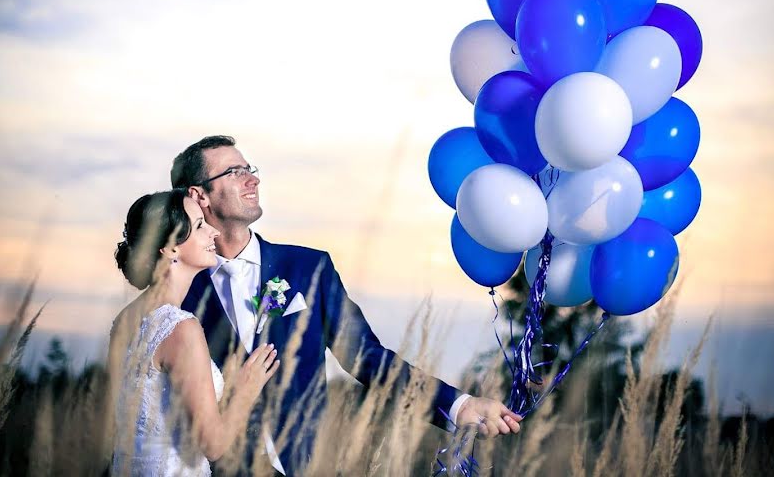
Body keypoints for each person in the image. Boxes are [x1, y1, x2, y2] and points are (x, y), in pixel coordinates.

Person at [173, 136, 523, 475]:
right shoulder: (179, 293)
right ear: (198, 195)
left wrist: (458, 405)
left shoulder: (309, 268)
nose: (254, 178)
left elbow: (367, 358)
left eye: (249, 168)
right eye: (234, 172)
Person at [108, 189, 281, 476]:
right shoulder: (180, 328)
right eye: (200, 224)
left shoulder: (125, 320)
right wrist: (246, 389)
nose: (213, 231)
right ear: (170, 247)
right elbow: (213, 446)